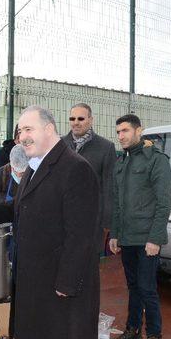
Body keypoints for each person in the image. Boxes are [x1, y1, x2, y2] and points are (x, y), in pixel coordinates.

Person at [0, 105, 100, 339]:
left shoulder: (75, 168)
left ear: (49, 129)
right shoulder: (35, 166)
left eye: (28, 129)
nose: (22, 136)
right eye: (20, 131)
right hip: (34, 276)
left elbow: (82, 234)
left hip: (58, 279)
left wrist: (67, 282)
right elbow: (22, 208)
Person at [109, 114, 171, 339]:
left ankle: (154, 337)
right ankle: (133, 331)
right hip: (127, 237)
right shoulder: (121, 163)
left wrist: (155, 238)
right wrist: (114, 234)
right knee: (134, 287)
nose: (121, 136)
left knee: (147, 288)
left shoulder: (156, 161)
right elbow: (117, 204)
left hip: (147, 238)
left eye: (125, 131)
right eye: (118, 132)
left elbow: (163, 203)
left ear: (139, 131)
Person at [62, 103, 116, 253]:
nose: (76, 122)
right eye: (72, 118)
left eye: (81, 118)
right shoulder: (59, 145)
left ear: (91, 120)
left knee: (90, 270)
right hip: (63, 222)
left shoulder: (106, 147)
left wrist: (107, 224)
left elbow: (109, 187)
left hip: (92, 224)